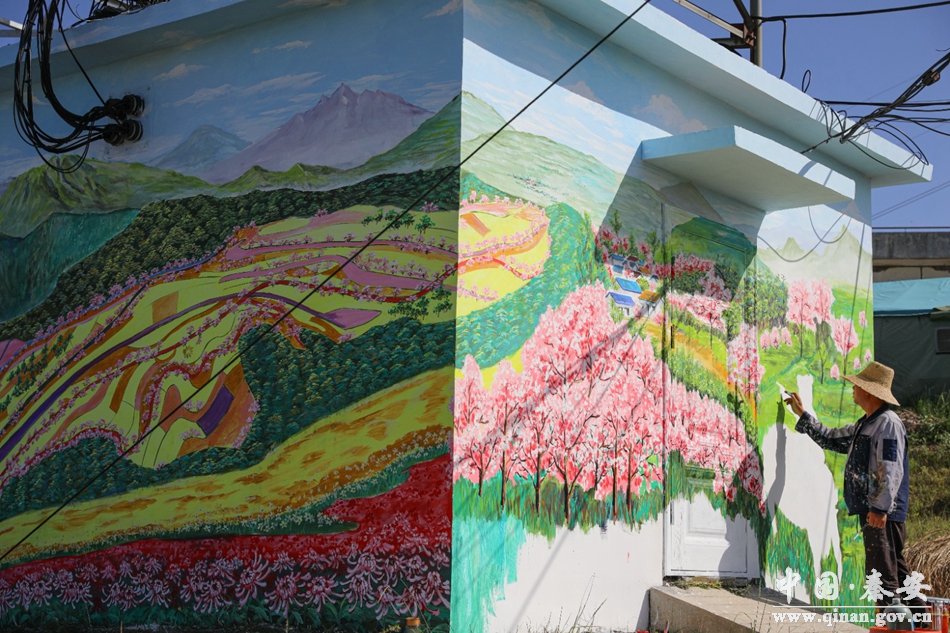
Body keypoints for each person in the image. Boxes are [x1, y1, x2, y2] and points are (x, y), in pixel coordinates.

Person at [784, 361, 925, 611]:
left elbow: (891, 469)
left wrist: (880, 509)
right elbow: (831, 438)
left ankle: (890, 622)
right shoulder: (865, 424)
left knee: (883, 575)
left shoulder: (888, 423)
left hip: (883, 514)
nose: (853, 389)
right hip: (875, 511)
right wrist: (803, 415)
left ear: (869, 392)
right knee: (896, 572)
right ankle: (922, 620)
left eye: (857, 385)